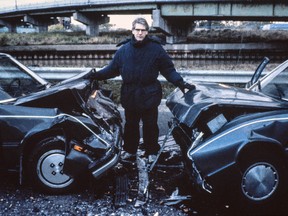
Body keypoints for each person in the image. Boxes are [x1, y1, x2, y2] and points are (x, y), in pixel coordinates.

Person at [92, 17, 194, 163]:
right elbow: (112, 69)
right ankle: (129, 151)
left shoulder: (156, 49)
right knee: (131, 126)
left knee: (150, 126)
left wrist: (180, 82)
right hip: (130, 94)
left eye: (143, 30)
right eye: (137, 30)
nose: (140, 33)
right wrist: (96, 75)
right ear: (132, 31)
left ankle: (152, 151)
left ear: (147, 32)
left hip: (149, 94)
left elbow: (168, 70)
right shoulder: (123, 50)